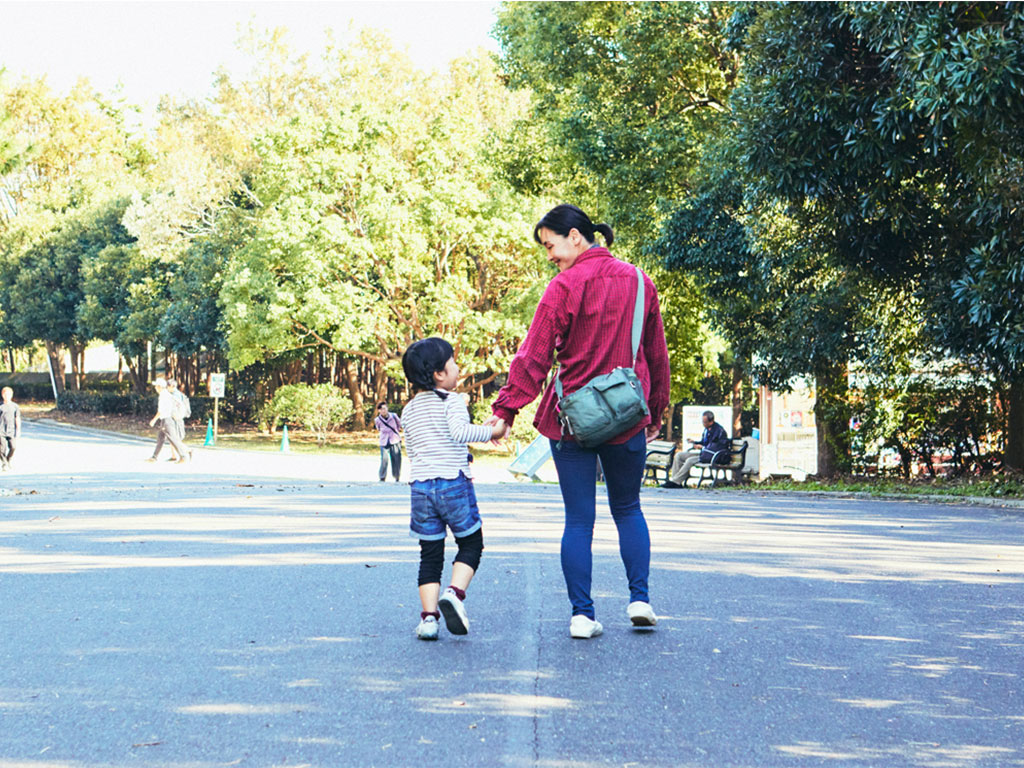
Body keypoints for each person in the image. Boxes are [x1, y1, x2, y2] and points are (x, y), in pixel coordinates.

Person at [488, 204, 670, 639]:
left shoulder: (564, 286)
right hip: (626, 416)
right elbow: (655, 354)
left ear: (574, 236)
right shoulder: (641, 282)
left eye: (550, 245)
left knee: (578, 520)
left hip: (571, 422)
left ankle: (582, 615)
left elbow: (533, 356)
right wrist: (656, 408)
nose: (549, 256)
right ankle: (639, 599)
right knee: (628, 509)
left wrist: (507, 409)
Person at [400, 337, 506, 641]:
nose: (458, 367)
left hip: (420, 489)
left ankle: (429, 619)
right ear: (439, 374)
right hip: (452, 483)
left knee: (430, 554)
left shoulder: (409, 410)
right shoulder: (452, 401)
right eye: (453, 362)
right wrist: (494, 431)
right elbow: (460, 433)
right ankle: (455, 593)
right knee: (472, 543)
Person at [662, 411, 730, 489]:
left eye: (705, 422)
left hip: (712, 456)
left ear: (711, 421)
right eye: (702, 421)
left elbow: (717, 446)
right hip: (704, 453)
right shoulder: (707, 429)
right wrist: (694, 442)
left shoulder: (719, 431)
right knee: (679, 455)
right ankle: (676, 481)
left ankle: (675, 481)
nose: (703, 424)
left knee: (690, 460)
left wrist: (702, 447)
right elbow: (704, 442)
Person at [146, 378, 188, 464]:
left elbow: (160, 411)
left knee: (173, 439)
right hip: (166, 420)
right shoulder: (167, 394)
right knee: (161, 439)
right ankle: (154, 457)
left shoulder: (163, 395)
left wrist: (153, 420)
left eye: (156, 386)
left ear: (160, 387)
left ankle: (183, 456)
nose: (155, 388)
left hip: (167, 420)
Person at [374, 402, 403, 482]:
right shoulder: (377, 420)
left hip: (395, 440)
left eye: (384, 408)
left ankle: (397, 476)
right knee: (384, 459)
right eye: (381, 409)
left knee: (396, 459)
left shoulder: (394, 416)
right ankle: (382, 476)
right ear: (379, 411)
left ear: (387, 408)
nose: (383, 410)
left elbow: (399, 425)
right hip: (384, 441)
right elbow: (378, 428)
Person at [166, 378, 192, 463]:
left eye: (168, 386)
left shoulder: (176, 395)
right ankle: (173, 455)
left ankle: (187, 450)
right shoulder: (175, 394)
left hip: (176, 419)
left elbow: (175, 408)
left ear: (172, 386)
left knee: (175, 437)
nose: (167, 388)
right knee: (171, 436)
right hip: (175, 418)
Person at [0, 386, 22, 472]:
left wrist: (18, 429)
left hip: (11, 430)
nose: (7, 396)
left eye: (8, 394)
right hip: (1, 430)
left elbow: (17, 418)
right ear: (2, 395)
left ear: (11, 395)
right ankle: (4, 463)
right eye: (5, 394)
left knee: (13, 447)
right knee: (2, 449)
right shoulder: (0, 406)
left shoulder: (15, 406)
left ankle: (8, 460)